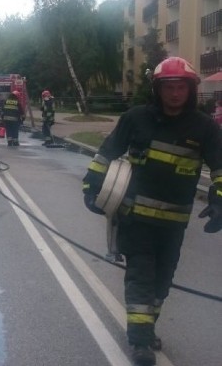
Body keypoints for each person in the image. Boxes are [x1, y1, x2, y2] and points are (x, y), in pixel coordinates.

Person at [81, 57, 222, 366]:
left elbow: (220, 166)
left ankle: (145, 327)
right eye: (168, 87)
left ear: (190, 90)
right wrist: (91, 184)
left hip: (174, 224)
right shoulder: (136, 119)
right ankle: (140, 342)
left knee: (162, 283)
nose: (174, 94)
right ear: (158, 89)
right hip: (136, 219)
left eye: (180, 87)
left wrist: (218, 198)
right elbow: (107, 152)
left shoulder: (205, 127)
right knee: (141, 278)